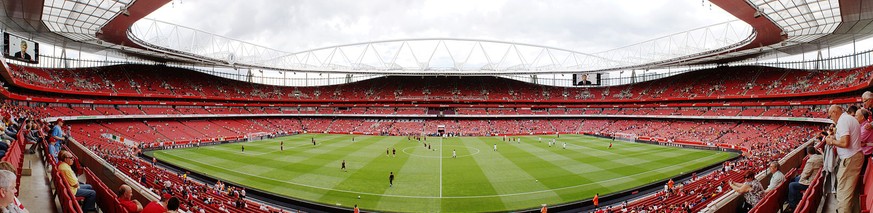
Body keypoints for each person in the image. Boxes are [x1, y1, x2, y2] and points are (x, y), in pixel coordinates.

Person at [825, 105, 864, 213]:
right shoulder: (850, 119)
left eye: (830, 115)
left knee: (843, 192)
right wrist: (834, 137)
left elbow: (844, 143)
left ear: (834, 112)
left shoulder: (843, 121)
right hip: (854, 156)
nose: (831, 118)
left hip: (850, 159)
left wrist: (831, 141)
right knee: (850, 191)